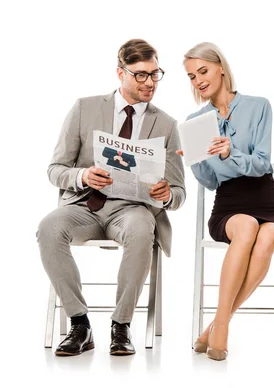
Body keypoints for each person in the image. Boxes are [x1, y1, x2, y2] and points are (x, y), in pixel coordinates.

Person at [38, 39, 186, 356]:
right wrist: (82, 175)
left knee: (141, 229)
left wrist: (166, 193)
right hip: (83, 205)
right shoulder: (84, 108)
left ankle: (121, 326)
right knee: (49, 228)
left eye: (155, 74)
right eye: (141, 75)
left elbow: (179, 192)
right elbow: (54, 169)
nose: (150, 82)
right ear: (120, 73)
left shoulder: (168, 125)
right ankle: (80, 323)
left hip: (132, 210)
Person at [180, 42, 274, 361]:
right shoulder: (196, 120)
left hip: (266, 197)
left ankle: (216, 324)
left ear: (221, 68)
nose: (198, 80)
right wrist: (195, 161)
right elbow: (211, 182)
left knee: (267, 234)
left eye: (203, 71)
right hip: (229, 204)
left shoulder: (259, 106)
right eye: (191, 76)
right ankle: (222, 327)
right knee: (246, 228)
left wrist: (231, 152)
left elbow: (262, 163)